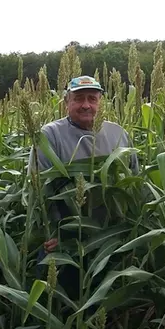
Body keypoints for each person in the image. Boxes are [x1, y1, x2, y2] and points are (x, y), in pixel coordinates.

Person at [29, 75, 139, 253]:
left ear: (100, 102)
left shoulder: (118, 133)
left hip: (113, 233)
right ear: (67, 102)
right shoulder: (50, 134)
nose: (86, 105)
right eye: (78, 99)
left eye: (92, 99)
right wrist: (55, 231)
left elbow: (134, 180)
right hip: (67, 236)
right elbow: (38, 186)